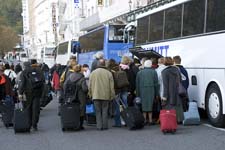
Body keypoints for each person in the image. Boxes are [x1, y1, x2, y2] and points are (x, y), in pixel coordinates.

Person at [18, 61, 45, 131]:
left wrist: (20, 93)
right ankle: (35, 125)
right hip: (37, 92)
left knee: (28, 108)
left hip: (28, 93)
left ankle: (29, 124)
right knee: (36, 109)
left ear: (24, 66)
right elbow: (43, 82)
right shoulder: (39, 71)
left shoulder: (24, 72)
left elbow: (22, 83)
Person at [89, 59, 115, 130]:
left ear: (98, 64)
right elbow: (111, 86)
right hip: (105, 95)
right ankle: (105, 125)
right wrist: (112, 95)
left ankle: (99, 126)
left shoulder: (93, 73)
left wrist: (90, 94)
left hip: (95, 95)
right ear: (104, 64)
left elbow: (90, 85)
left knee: (97, 111)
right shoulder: (108, 73)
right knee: (105, 110)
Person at [63, 64, 88, 130]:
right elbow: (84, 89)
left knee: (73, 109)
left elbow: (65, 85)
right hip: (81, 96)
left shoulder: (70, 76)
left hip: (72, 95)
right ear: (80, 70)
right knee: (81, 109)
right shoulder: (82, 78)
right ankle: (80, 125)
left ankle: (73, 122)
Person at [161, 57, 184, 123]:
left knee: (169, 110)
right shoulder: (177, 69)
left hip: (169, 93)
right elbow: (180, 80)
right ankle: (178, 121)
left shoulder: (164, 71)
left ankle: (171, 124)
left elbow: (165, 85)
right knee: (177, 107)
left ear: (165, 62)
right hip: (177, 92)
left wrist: (164, 96)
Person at [136, 60, 159, 125]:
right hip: (151, 91)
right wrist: (156, 94)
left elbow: (137, 84)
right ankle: (150, 120)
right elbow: (156, 84)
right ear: (151, 65)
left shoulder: (139, 73)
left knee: (143, 105)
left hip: (142, 90)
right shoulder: (154, 72)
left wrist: (137, 94)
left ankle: (144, 120)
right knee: (150, 105)